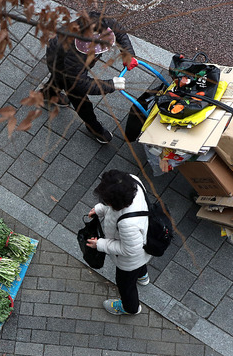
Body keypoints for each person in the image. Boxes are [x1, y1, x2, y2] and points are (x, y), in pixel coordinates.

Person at [41, 11, 138, 144]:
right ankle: (94, 128)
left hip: (61, 58)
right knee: (80, 101)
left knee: (57, 81)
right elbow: (80, 83)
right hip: (61, 65)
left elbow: (118, 31)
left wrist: (128, 53)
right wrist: (111, 85)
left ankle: (48, 93)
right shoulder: (74, 54)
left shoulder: (98, 22)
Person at [87, 170, 151, 315]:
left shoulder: (128, 225)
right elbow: (115, 210)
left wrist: (100, 245)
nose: (104, 202)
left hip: (130, 260)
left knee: (125, 285)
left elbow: (129, 250)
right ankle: (143, 277)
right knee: (139, 266)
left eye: (105, 201)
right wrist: (99, 209)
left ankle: (130, 308)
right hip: (142, 245)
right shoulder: (133, 181)